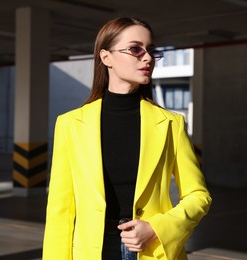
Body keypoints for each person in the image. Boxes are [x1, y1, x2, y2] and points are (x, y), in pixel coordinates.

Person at [42, 17, 212, 260]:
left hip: (150, 250)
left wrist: (157, 228)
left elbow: (198, 195)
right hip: (90, 251)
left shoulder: (171, 124)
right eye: (135, 49)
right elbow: (60, 210)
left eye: (151, 51)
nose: (147, 58)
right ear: (106, 57)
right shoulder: (71, 125)